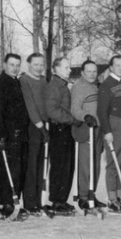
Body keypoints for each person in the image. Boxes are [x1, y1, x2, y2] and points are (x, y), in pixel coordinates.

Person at [0, 53, 30, 219]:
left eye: (17, 65)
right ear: (5, 65)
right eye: (11, 64)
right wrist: (1, 137)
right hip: (8, 136)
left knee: (18, 171)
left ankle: (15, 203)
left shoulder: (16, 83)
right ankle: (7, 205)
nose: (14, 68)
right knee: (8, 172)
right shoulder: (1, 86)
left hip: (20, 134)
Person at [97, 55, 121, 212]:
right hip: (116, 128)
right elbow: (102, 110)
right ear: (111, 67)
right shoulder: (107, 84)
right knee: (114, 165)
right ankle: (112, 199)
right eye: (117, 65)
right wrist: (107, 131)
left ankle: (120, 196)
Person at [44, 57, 80, 215]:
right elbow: (52, 110)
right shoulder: (54, 86)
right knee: (60, 166)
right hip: (59, 129)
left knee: (67, 165)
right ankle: (57, 201)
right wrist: (71, 119)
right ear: (56, 69)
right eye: (66, 67)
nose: (69, 70)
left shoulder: (63, 86)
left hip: (65, 129)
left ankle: (62, 199)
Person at [71, 60, 106, 210]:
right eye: (89, 71)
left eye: (94, 71)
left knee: (96, 164)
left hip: (97, 129)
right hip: (86, 129)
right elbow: (74, 109)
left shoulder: (96, 85)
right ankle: (83, 196)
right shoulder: (79, 87)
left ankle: (92, 193)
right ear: (83, 72)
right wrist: (85, 116)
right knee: (86, 164)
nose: (92, 74)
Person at [19, 53, 49, 215]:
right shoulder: (24, 80)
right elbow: (30, 105)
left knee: (41, 165)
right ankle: (30, 202)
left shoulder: (43, 81)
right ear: (28, 64)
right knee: (32, 165)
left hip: (45, 125)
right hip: (33, 126)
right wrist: (40, 126)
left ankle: (38, 200)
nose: (38, 67)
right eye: (35, 64)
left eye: (41, 64)